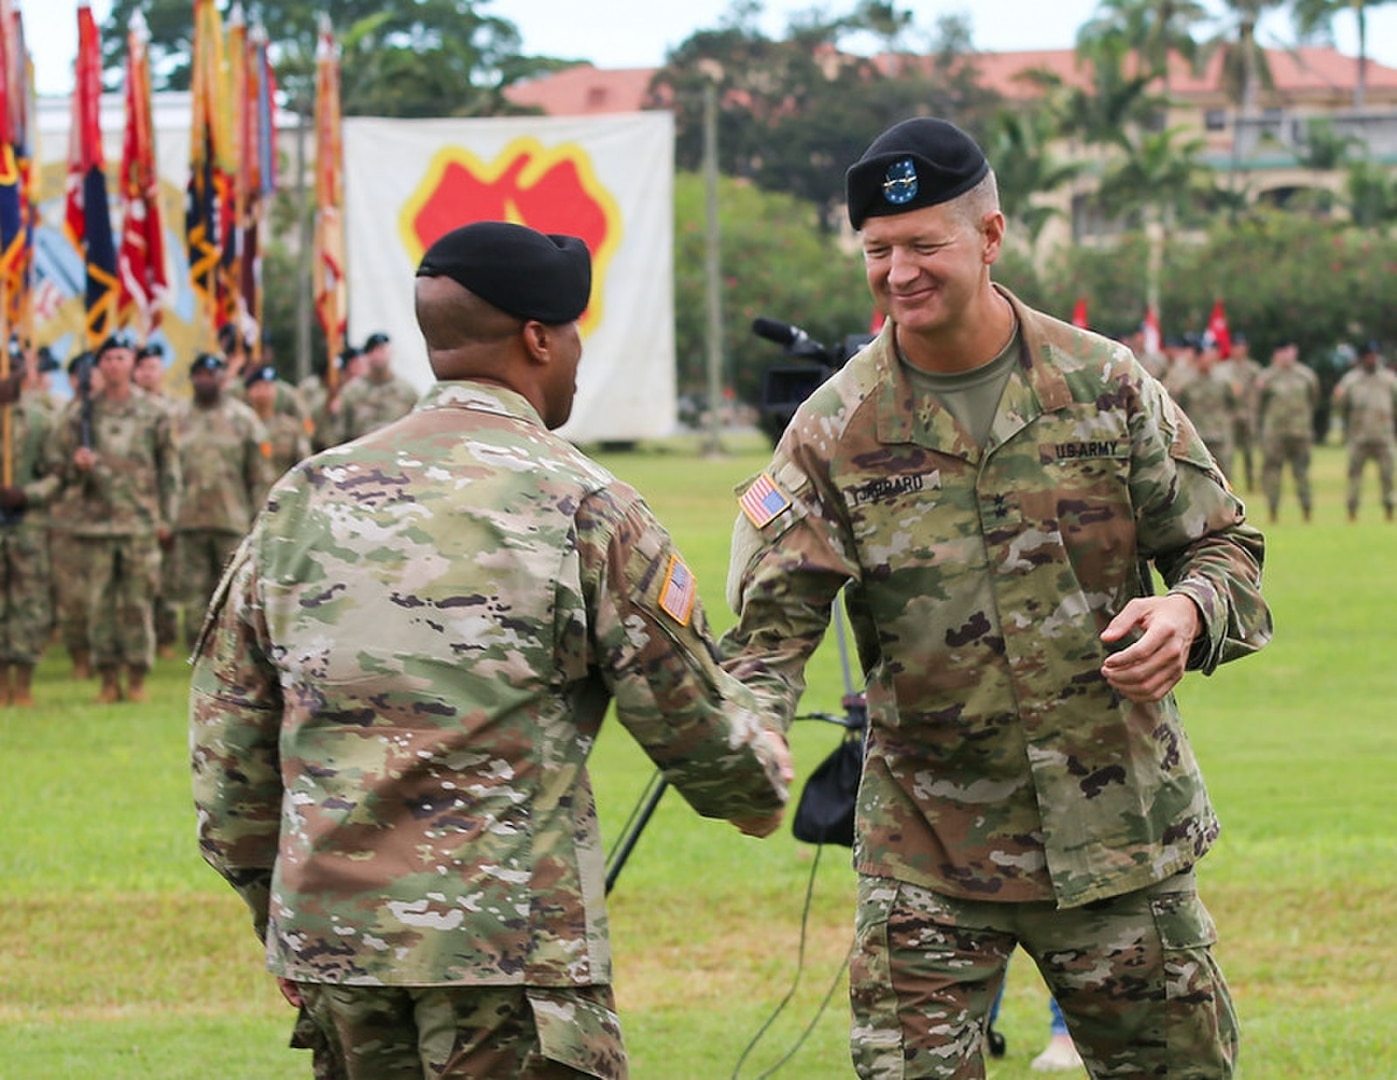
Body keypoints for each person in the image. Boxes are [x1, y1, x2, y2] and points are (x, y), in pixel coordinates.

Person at [720, 117, 1271, 1079]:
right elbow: (769, 633)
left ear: (989, 235)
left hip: (1119, 842)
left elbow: (1223, 546)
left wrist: (1187, 611)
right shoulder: (832, 429)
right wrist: (751, 740)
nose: (898, 272)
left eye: (923, 244)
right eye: (877, 250)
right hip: (929, 851)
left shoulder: (1104, 385)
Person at [190, 220, 792, 1079]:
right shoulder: (584, 505)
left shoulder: (303, 499)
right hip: (508, 962)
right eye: (574, 333)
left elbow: (228, 760)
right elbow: (703, 741)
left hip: (339, 957)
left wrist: (284, 914)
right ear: (539, 339)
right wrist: (764, 754)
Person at [47, 333, 180, 703]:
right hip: (95, 525)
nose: (114, 365)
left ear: (132, 363)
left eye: (121, 358)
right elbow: (57, 468)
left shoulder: (155, 412)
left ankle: (137, 678)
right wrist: (77, 467)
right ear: (99, 366)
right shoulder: (80, 415)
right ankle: (107, 679)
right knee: (100, 605)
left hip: (139, 522)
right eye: (107, 359)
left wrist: (167, 517)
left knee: (138, 603)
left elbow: (169, 468)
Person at [171, 353, 271, 650]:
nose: (205, 380)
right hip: (188, 518)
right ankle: (197, 648)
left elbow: (258, 476)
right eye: (199, 374)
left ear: (222, 379)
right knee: (193, 593)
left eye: (211, 374)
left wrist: (260, 520)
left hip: (231, 518)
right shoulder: (175, 418)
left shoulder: (243, 419)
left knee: (232, 591)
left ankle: (230, 649)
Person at [0, 370, 59, 705]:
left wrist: (28, 494)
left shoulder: (40, 420)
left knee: (28, 604)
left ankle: (23, 683)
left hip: (27, 526)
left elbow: (55, 474)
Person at [1330, 341, 1397, 522]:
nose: (1372, 359)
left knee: (1388, 477)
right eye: (1368, 356)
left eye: (1374, 355)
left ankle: (1389, 510)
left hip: (1384, 436)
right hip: (1359, 437)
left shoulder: (1389, 380)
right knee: (1354, 477)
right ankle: (1352, 511)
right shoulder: (1351, 380)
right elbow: (1341, 407)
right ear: (1362, 358)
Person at [1255, 340, 1319, 522]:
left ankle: (1306, 510)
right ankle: (1273, 510)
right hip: (1275, 434)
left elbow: (1313, 399)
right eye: (1283, 351)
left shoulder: (1306, 376)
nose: (1287, 355)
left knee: (1302, 473)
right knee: (1273, 473)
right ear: (1276, 354)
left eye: (1290, 350)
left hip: (1300, 433)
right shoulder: (1266, 377)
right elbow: (1259, 405)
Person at [332, 330, 419, 443]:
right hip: (360, 456)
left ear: (391, 353)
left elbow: (416, 430)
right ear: (367, 355)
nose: (379, 356)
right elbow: (339, 433)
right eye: (374, 351)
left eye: (383, 350)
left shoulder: (407, 391)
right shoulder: (352, 392)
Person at [1174, 336, 1240, 483]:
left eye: (1212, 354)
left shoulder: (1223, 381)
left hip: (1219, 436)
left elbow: (1233, 404)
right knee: (1195, 479)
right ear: (1198, 357)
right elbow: (1177, 408)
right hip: (1196, 438)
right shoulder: (1186, 382)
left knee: (1224, 477)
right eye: (1206, 354)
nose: (1209, 358)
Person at [244, 363, 312, 501]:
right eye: (258, 387)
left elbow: (305, 466)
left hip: (283, 502)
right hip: (250, 506)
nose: (264, 392)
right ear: (249, 392)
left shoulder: (290, 428)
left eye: (268, 386)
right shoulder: (241, 427)